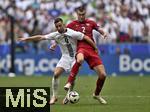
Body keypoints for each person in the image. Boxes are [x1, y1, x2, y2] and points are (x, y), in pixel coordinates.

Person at [17, 17, 98, 105]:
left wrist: (95, 48)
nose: (59, 28)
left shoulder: (73, 33)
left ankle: (68, 95)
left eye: (60, 26)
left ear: (63, 24)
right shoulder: (55, 35)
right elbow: (41, 37)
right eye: (57, 27)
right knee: (56, 74)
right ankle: (54, 96)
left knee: (72, 77)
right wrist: (26, 39)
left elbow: (85, 37)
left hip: (75, 56)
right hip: (65, 57)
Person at [64, 6, 108, 104]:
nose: (81, 16)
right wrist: (54, 43)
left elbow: (99, 29)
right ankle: (69, 83)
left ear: (85, 14)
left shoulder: (91, 22)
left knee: (103, 75)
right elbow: (62, 34)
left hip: (92, 50)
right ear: (77, 14)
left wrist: (104, 33)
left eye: (83, 14)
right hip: (81, 48)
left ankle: (96, 94)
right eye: (79, 14)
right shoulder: (72, 24)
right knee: (79, 60)